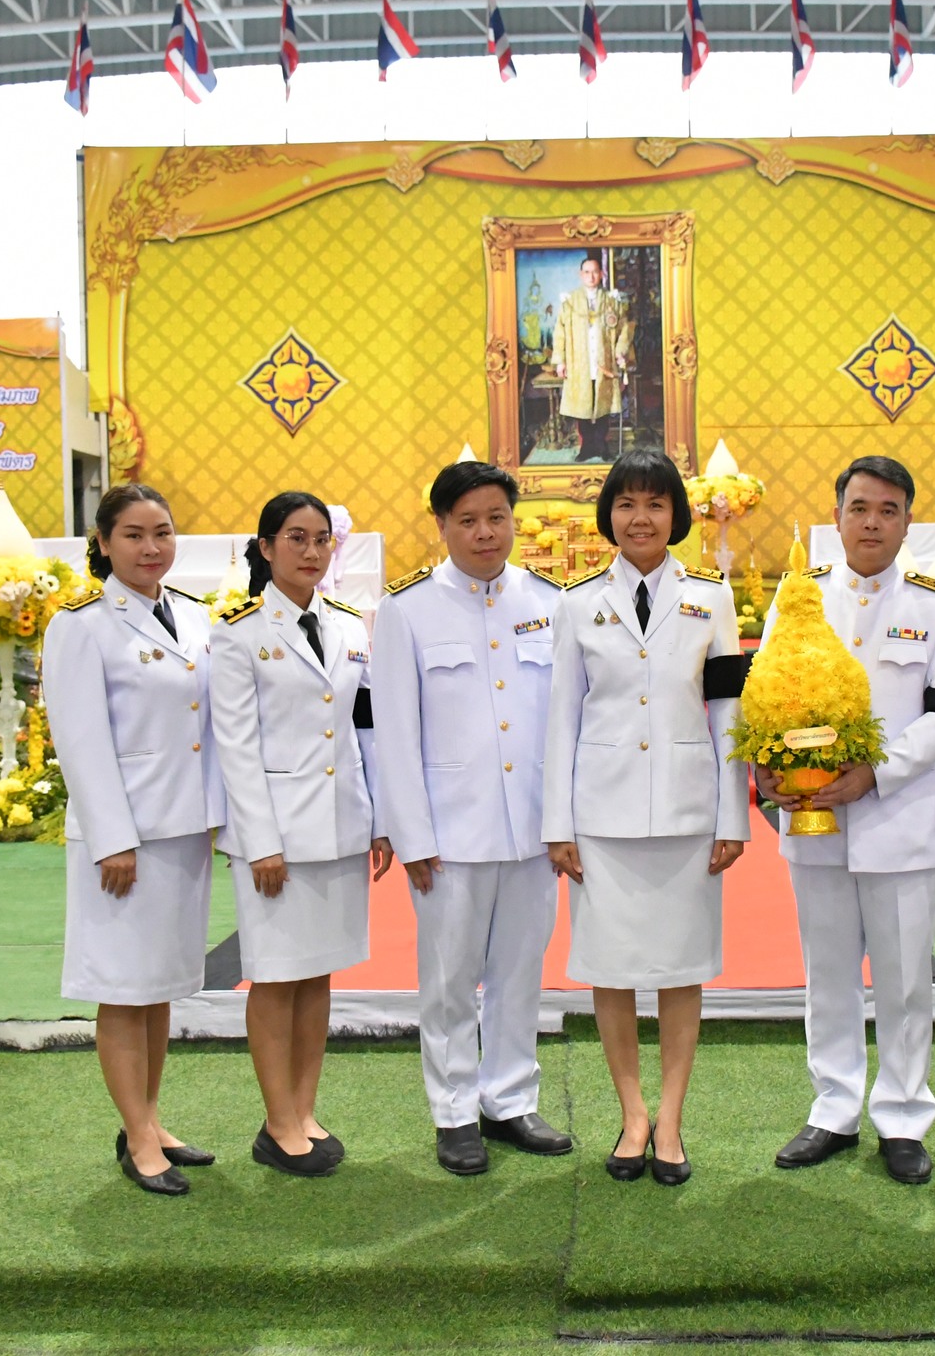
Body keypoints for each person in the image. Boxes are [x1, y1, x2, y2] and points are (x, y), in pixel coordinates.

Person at [755, 457, 935, 1186]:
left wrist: (875, 772)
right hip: (814, 819)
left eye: (887, 510)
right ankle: (834, 1108)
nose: (872, 522)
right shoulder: (801, 596)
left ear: (907, 521)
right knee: (827, 976)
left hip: (895, 818)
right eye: (859, 508)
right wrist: (768, 768)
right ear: (837, 516)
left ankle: (904, 1117)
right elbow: (765, 692)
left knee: (905, 981)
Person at [543, 449, 749, 1186]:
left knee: (680, 970)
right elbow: (561, 718)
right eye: (627, 503)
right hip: (601, 816)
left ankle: (671, 1119)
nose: (640, 518)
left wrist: (734, 816)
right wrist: (557, 824)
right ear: (609, 515)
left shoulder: (710, 598)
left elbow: (728, 711)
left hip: (688, 813)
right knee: (613, 968)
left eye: (655, 504)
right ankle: (632, 1114)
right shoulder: (576, 603)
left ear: (675, 515)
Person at [372, 460, 574, 1175]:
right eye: (468, 520)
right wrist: (412, 833)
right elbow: (394, 732)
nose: (485, 532)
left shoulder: (549, 601)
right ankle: (455, 1111)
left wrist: (562, 823)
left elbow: (563, 724)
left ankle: (510, 1099)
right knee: (450, 980)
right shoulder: (406, 609)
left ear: (514, 520)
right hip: (448, 834)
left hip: (531, 830)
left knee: (520, 974)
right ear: (442, 526)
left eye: (497, 517)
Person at [45, 483, 226, 1197]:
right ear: (102, 542)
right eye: (134, 535)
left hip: (183, 830)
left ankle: (148, 1119)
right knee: (123, 989)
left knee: (157, 987)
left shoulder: (194, 614)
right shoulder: (82, 625)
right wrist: (111, 839)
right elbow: (80, 740)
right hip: (125, 839)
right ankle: (138, 1137)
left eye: (163, 533)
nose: (152, 548)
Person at [212, 490, 394, 1178]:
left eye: (321, 539)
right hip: (278, 837)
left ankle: (305, 1108)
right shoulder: (238, 632)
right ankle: (277, 1120)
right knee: (275, 976)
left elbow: (363, 730)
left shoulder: (348, 625)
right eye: (296, 538)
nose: (311, 551)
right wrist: (260, 840)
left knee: (318, 973)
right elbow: (236, 746)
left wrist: (380, 820)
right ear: (266, 548)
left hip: (341, 823)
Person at [551, 255, 633, 463]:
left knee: (603, 403)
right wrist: (560, 361)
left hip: (604, 363)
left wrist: (620, 351)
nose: (591, 276)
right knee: (583, 405)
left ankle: (602, 445)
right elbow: (560, 332)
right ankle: (587, 446)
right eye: (587, 272)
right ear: (581, 275)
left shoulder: (612, 301)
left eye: (595, 271)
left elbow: (624, 329)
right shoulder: (570, 302)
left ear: (601, 274)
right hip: (579, 363)